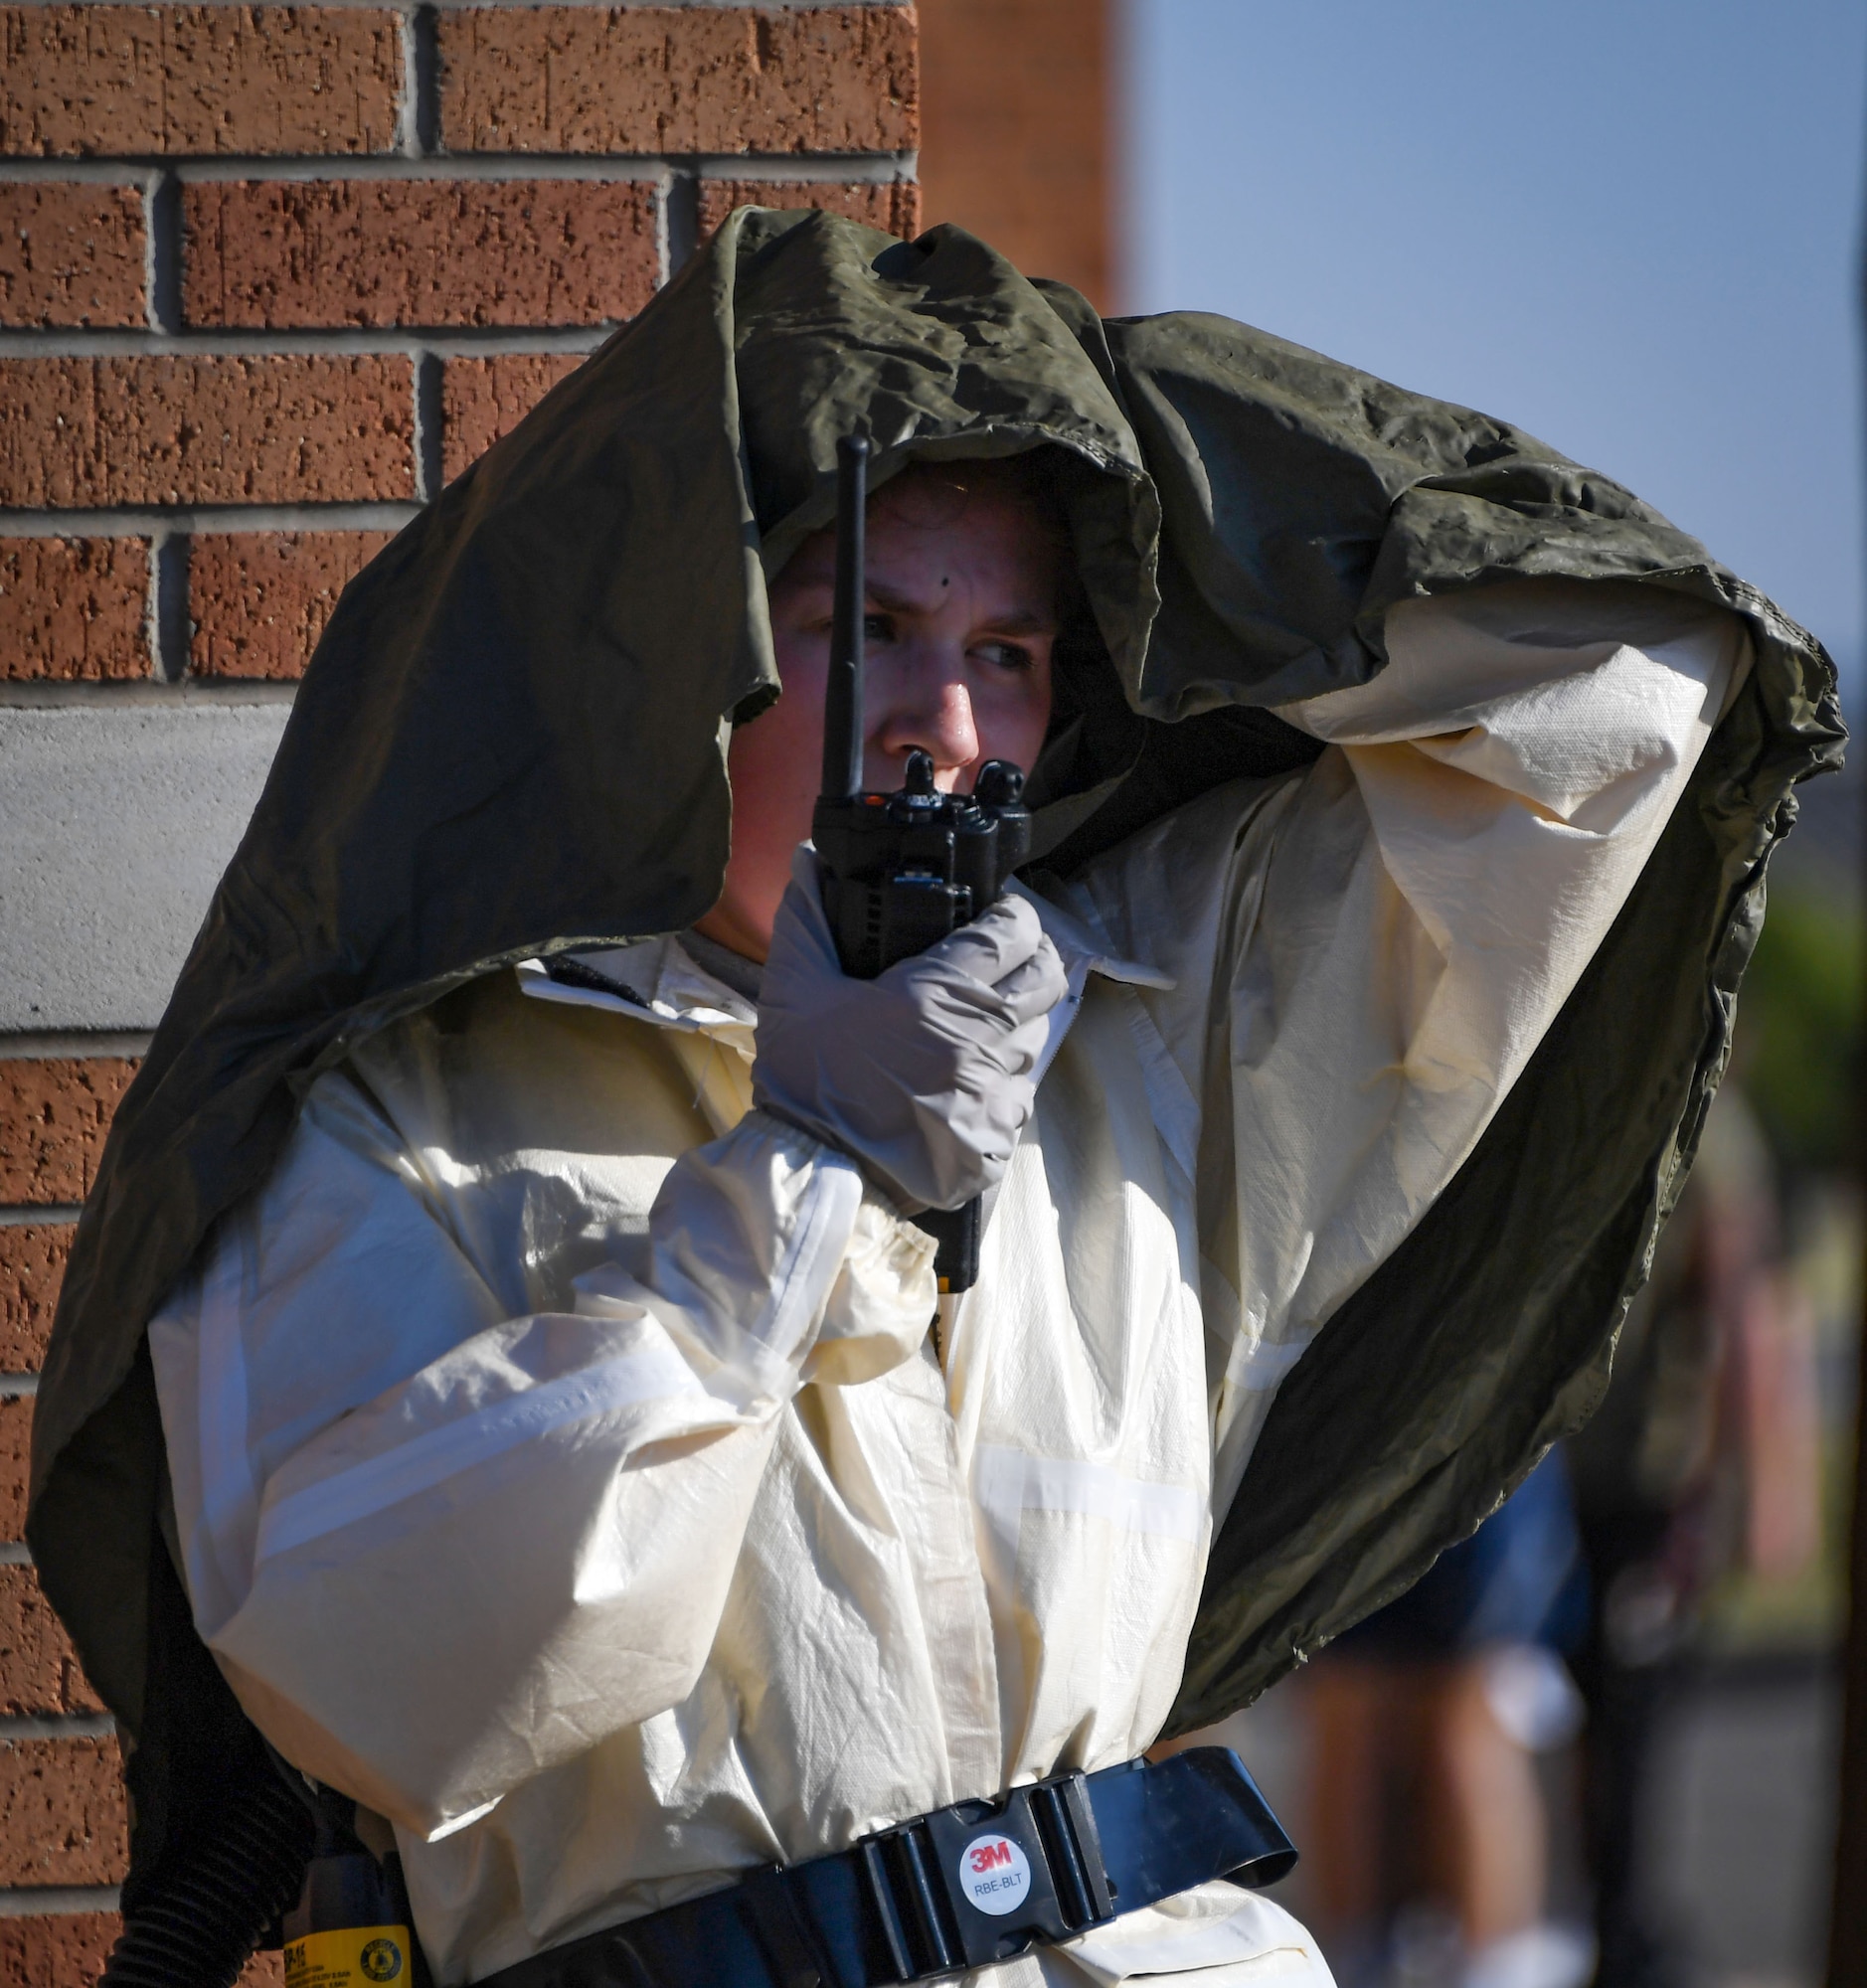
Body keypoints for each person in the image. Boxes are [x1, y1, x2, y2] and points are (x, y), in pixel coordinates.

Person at [28, 211, 1841, 1988]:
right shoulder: (401, 1117)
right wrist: (798, 1179)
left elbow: (1616, 677)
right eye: (865, 625)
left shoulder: (1152, 1020)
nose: (944, 730)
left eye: (1010, 653)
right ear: (685, 660)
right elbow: (384, 1688)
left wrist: (1117, 439)